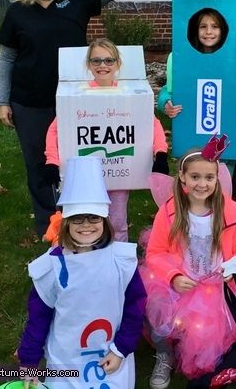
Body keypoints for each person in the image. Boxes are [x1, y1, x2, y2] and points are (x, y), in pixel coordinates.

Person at [0, 0, 146, 236]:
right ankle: (49, 225)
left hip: (76, 100)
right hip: (30, 101)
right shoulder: (18, 12)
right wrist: (2, 100)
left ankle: (83, 220)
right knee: (39, 163)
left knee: (78, 161)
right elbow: (7, 57)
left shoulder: (75, 1)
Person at [141, 137, 236, 388]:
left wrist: (233, 266)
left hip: (219, 285)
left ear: (217, 179)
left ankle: (216, 353)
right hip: (181, 282)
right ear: (182, 177)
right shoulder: (169, 212)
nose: (202, 184)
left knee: (215, 330)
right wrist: (172, 276)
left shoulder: (229, 211)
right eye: (195, 177)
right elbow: (156, 252)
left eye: (209, 178)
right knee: (155, 310)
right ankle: (165, 354)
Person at [17, 156, 146, 389]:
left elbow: (135, 309)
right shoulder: (51, 267)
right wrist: (30, 360)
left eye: (93, 217)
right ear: (65, 223)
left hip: (111, 356)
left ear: (105, 221)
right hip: (66, 360)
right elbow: (38, 317)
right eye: (77, 218)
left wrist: (121, 349)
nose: (86, 225)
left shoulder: (122, 262)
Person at [43, 37, 170, 242]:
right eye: (96, 61)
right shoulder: (76, 96)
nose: (103, 65)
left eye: (109, 60)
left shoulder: (130, 95)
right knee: (88, 219)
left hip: (119, 172)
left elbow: (151, 123)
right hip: (86, 175)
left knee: (118, 220)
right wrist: (52, 161)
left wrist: (161, 153)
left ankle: (119, 260)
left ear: (118, 64)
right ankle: (90, 256)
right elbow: (56, 130)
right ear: (88, 65)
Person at [157, 7, 236, 121]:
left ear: (223, 30)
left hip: (229, 125)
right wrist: (166, 103)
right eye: (203, 26)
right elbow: (168, 90)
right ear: (196, 30)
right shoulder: (185, 60)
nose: (208, 32)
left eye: (215, 26)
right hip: (191, 124)